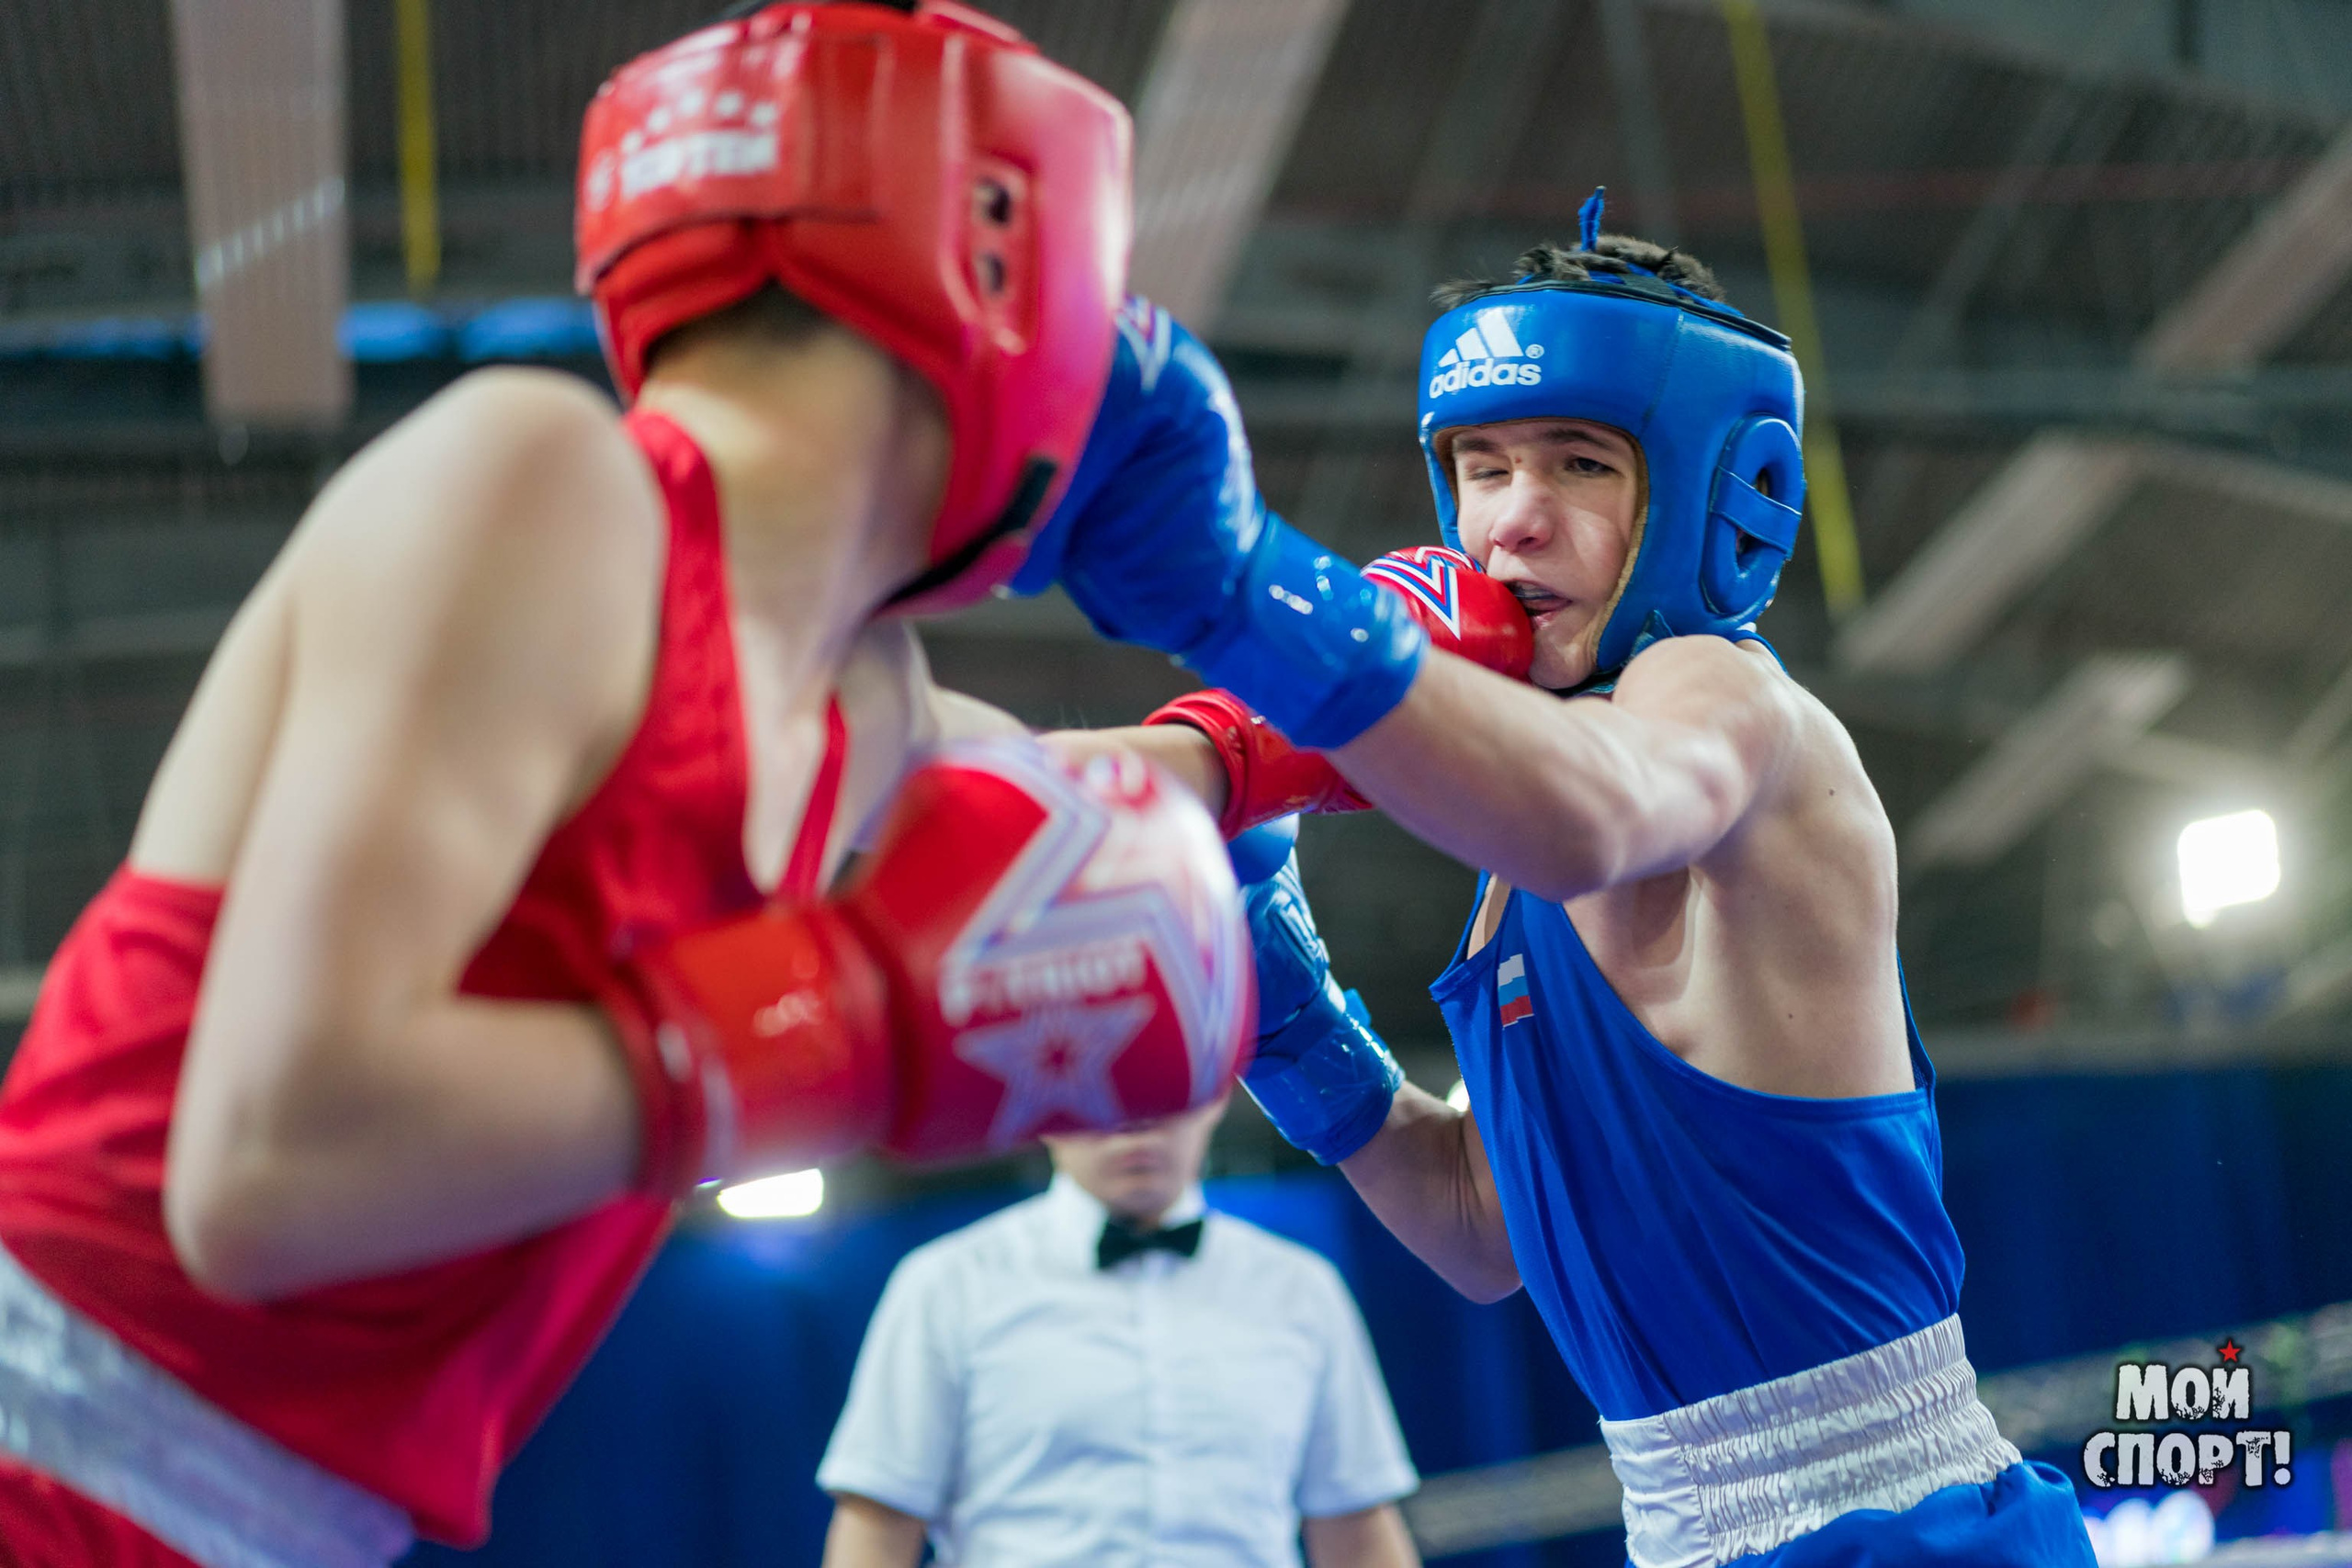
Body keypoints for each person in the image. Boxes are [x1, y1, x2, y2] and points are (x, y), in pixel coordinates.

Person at [0, 7, 1258, 1565]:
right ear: (1008, 266)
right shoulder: (547, 488)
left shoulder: (862, 704)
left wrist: (1289, 631)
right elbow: (264, 1171)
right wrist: (836, 1024)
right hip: (48, 1451)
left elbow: (1136, 804)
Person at [1037, 193, 2098, 1564]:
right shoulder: (1519, 828)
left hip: (1898, 1528)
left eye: (1582, 466)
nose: (1514, 524)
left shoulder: (1714, 702)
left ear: (1718, 494)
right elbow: (1488, 1225)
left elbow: (1597, 813)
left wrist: (1250, 600)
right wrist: (1279, 1002)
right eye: (1482, 468)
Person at [817, 1084, 1421, 1568]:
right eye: (1108, 1088)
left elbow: (1358, 1529)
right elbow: (877, 1525)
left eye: (1159, 1088)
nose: (1135, 1120)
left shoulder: (1301, 1290)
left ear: (1215, 1093)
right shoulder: (945, 1285)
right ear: (1042, 1106)